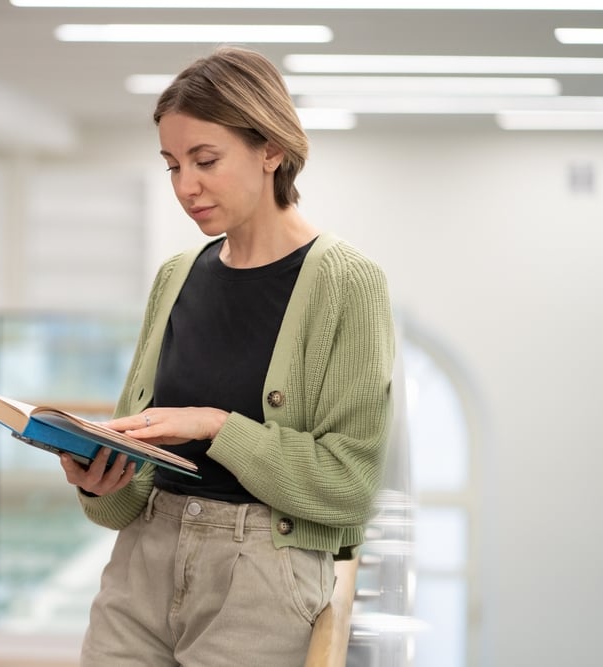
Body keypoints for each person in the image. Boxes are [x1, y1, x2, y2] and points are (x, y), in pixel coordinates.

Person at [59, 45, 396, 667]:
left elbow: (349, 485)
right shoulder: (175, 276)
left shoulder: (348, 282)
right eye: (172, 165)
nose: (186, 186)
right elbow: (128, 495)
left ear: (271, 150)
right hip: (142, 562)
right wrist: (100, 480)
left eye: (205, 160)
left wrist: (216, 426)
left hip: (260, 580)